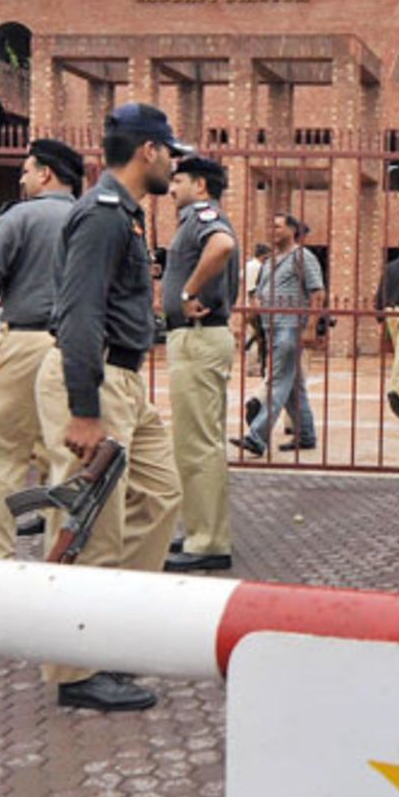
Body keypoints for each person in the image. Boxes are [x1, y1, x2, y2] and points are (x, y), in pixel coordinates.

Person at [36, 102, 186, 712]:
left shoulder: (125, 215)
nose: (174, 164)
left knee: (160, 493)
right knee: (89, 523)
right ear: (148, 151)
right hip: (93, 379)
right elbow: (77, 314)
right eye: (170, 152)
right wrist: (84, 409)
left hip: (123, 381)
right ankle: (76, 670)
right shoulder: (101, 217)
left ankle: (117, 627)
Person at [0, 139, 83, 559]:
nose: (22, 178)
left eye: (26, 170)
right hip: (76, 346)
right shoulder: (94, 218)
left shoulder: (22, 217)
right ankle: (60, 560)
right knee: (64, 459)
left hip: (24, 341)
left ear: (46, 173)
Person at [162, 155, 239, 573]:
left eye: (179, 181)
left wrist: (188, 290)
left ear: (201, 186)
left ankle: (208, 541)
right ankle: (200, 531)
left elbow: (222, 245)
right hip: (199, 339)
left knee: (198, 444)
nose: (172, 189)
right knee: (194, 442)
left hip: (198, 338)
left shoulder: (202, 215)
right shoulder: (194, 218)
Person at [233, 213, 323, 456]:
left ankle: (257, 437)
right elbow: (259, 294)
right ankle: (305, 435)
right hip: (271, 327)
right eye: (270, 225)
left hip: (290, 326)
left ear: (292, 230)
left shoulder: (302, 256)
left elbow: (317, 293)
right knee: (293, 385)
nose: (272, 230)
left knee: (279, 381)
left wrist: (310, 327)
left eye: (278, 226)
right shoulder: (271, 261)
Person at [374, 236, 399, 417]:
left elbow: (381, 290)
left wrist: (380, 317)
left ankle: (398, 386)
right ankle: (396, 388)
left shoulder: (389, 267)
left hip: (390, 312)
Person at [243, 242, 270, 374]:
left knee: (252, 334)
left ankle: (252, 364)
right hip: (254, 303)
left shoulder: (248, 266)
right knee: (257, 336)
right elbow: (253, 289)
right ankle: (254, 366)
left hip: (246, 303)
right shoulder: (259, 267)